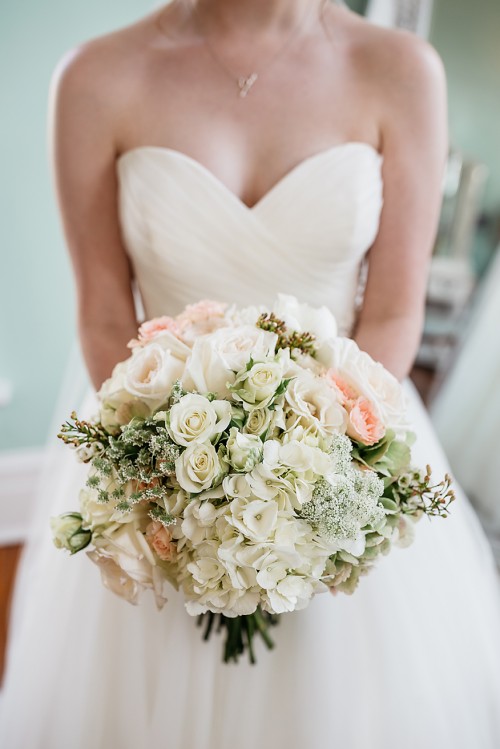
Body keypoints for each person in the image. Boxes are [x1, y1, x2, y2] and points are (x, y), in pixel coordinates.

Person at [2, 1, 500, 747]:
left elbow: (395, 310)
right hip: (156, 474)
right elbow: (105, 313)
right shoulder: (95, 77)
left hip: (343, 464)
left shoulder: (400, 71)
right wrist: (176, 482)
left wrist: (323, 476)